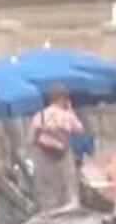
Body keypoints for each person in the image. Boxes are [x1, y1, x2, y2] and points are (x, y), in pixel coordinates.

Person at [28, 84, 85, 213]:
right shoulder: (67, 115)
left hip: (44, 157)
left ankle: (49, 216)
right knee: (68, 189)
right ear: (63, 99)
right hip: (63, 155)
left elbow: (31, 139)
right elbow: (79, 129)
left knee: (48, 193)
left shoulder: (39, 115)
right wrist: (70, 110)